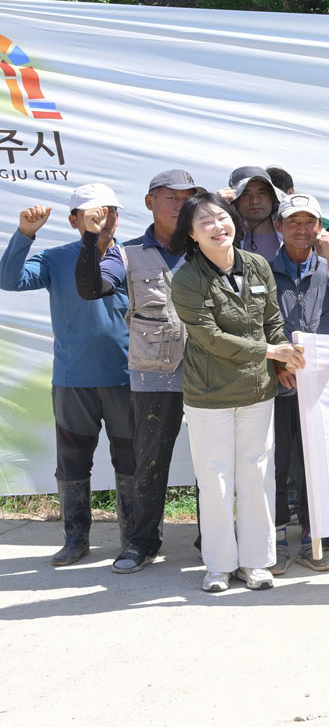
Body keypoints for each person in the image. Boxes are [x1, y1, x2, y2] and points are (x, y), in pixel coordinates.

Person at [167, 194, 305, 593]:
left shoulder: (258, 265)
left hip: (257, 390)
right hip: (209, 395)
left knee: (256, 474)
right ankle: (218, 566)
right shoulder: (187, 279)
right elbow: (209, 338)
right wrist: (271, 352)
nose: (217, 226)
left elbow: (272, 320)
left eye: (221, 217)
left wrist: (284, 357)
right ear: (192, 235)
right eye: (205, 222)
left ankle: (256, 562)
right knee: (215, 478)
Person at [74, 168, 208, 575]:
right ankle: (141, 543)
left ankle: (213, 540)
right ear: (150, 202)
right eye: (171, 197)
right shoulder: (127, 253)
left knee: (211, 460)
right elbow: (91, 288)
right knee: (149, 460)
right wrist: (90, 240)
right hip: (154, 374)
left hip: (209, 373)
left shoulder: (209, 248)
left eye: (188, 197)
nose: (180, 205)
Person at [5, 186, 132, 567]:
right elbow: (9, 280)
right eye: (92, 213)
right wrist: (24, 234)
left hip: (127, 378)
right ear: (73, 220)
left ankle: (135, 539)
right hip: (73, 380)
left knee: (132, 460)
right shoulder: (56, 258)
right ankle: (76, 539)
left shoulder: (134, 257)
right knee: (73, 463)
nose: (102, 219)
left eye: (109, 211)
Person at [267, 193, 329, 573]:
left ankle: (310, 539)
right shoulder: (263, 270)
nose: (301, 229)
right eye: (293, 222)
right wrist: (275, 365)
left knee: (313, 464)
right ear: (278, 226)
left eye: (309, 222)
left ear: (320, 227)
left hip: (321, 386)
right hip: (279, 383)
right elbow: (257, 324)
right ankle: (273, 542)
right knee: (275, 463)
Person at [228, 166, 283, 261]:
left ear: (273, 197)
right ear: (235, 201)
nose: (254, 201)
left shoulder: (291, 235)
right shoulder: (226, 238)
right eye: (245, 194)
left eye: (262, 193)